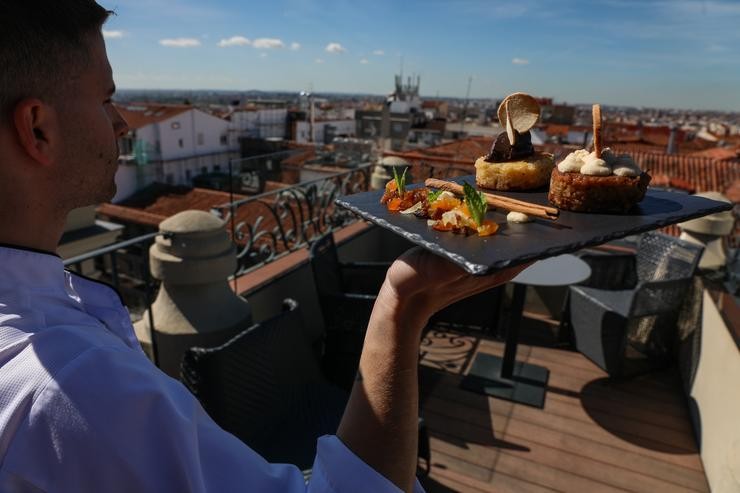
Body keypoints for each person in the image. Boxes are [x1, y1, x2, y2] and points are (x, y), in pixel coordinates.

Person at [0, 1, 528, 492]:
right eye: (105, 98)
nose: (121, 122)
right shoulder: (72, 390)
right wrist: (403, 308)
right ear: (38, 129)